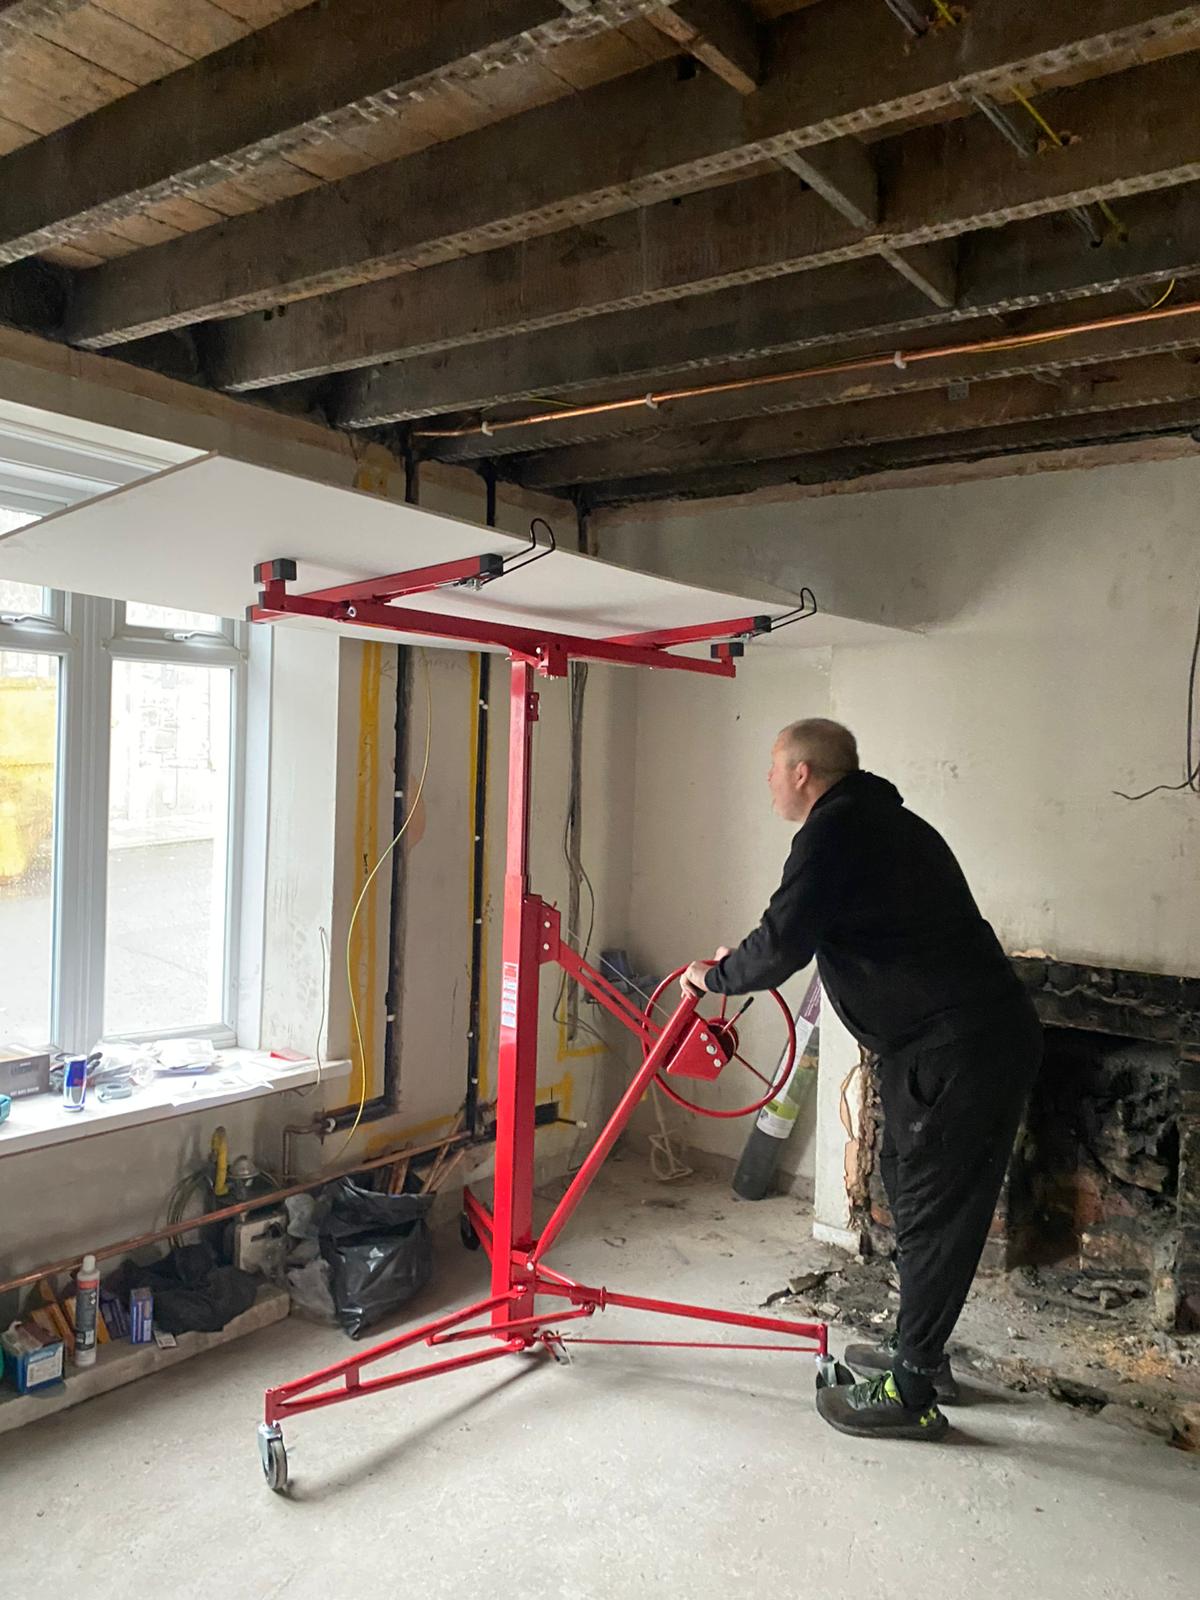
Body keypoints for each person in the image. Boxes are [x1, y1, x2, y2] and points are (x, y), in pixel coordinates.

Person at [681, 719, 1042, 1442]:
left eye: (773, 768)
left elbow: (781, 942)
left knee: (934, 1209)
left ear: (803, 772)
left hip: (957, 1047)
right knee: (907, 1186)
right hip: (945, 1043)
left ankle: (911, 1391)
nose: (768, 782)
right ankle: (919, 1351)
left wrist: (713, 978)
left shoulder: (835, 832)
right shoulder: (884, 823)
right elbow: (794, 930)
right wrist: (739, 962)